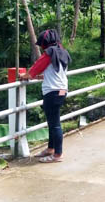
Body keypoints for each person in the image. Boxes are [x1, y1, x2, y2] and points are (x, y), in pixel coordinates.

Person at [22, 29, 72, 163]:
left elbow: (36, 67)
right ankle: (50, 149)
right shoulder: (62, 51)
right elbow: (55, 72)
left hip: (52, 92)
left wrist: (26, 76)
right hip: (62, 90)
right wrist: (40, 76)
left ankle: (57, 154)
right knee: (52, 122)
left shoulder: (49, 53)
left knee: (54, 124)